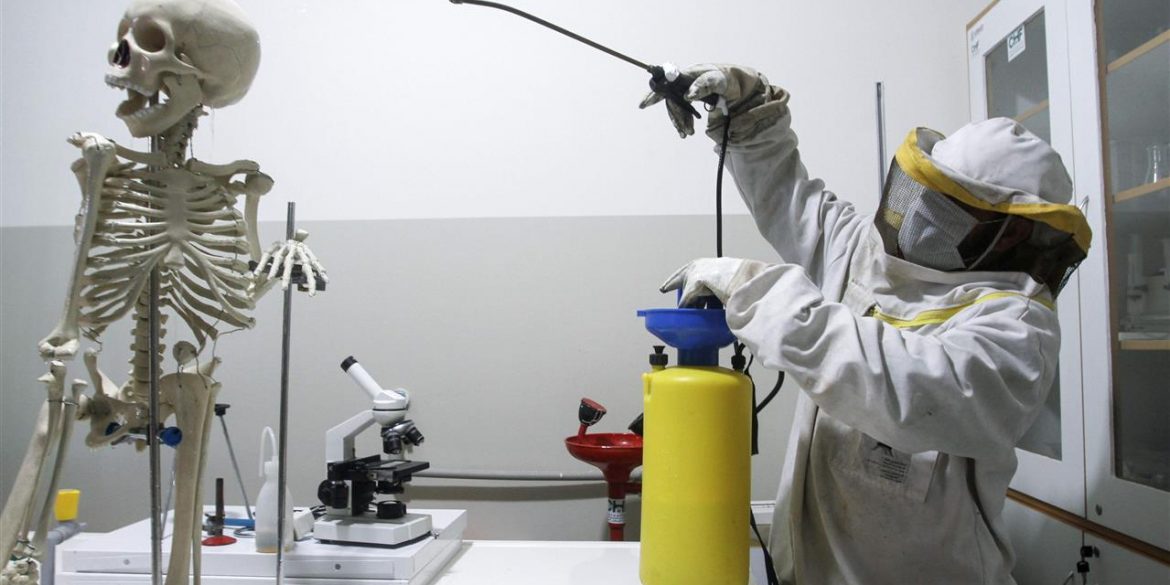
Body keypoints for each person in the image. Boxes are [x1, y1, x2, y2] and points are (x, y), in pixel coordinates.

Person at [643, 64, 1092, 584]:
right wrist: (748, 113)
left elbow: (907, 387)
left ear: (1009, 232)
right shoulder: (868, 255)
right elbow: (792, 199)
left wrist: (757, 292)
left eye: (947, 209)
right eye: (922, 192)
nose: (920, 214)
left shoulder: (1015, 326)